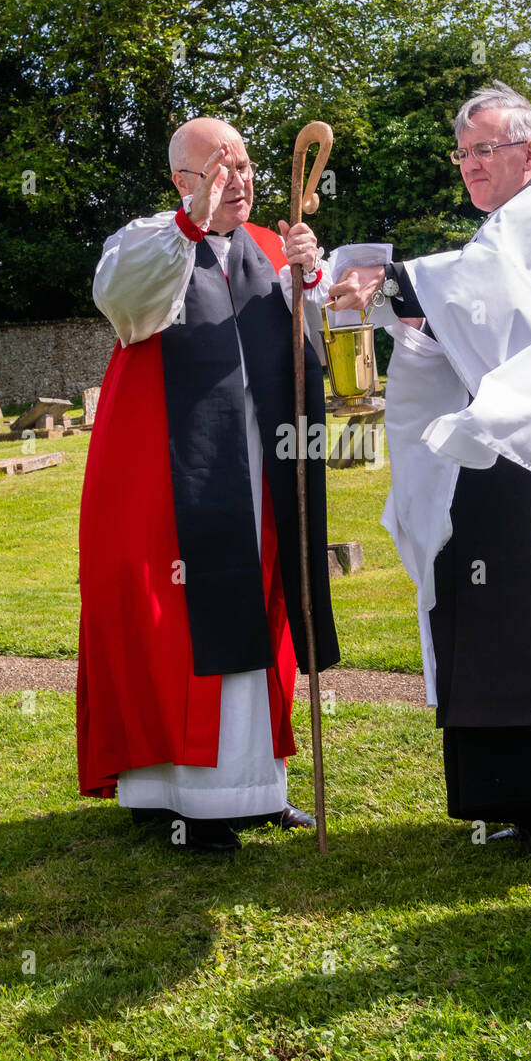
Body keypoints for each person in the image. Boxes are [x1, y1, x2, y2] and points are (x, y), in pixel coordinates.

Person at [330, 83, 531, 870]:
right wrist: (403, 322)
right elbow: (468, 323)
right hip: (492, 454)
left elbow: (498, 305)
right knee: (492, 616)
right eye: (463, 153)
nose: (470, 166)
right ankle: (524, 799)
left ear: (528, 154)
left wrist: (396, 282)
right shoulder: (500, 235)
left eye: (484, 149)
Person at [77, 117, 339, 853]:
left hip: (256, 477)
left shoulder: (265, 249)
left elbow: (307, 347)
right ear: (181, 182)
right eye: (219, 169)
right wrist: (188, 228)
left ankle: (253, 787)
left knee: (258, 613)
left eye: (246, 165)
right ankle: (179, 797)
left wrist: (307, 279)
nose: (240, 179)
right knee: (172, 625)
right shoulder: (150, 240)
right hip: (168, 484)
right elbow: (122, 299)